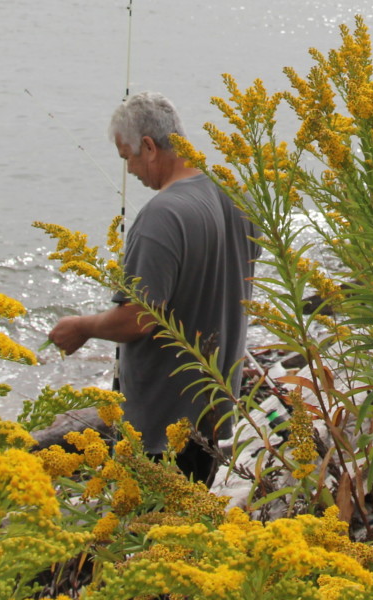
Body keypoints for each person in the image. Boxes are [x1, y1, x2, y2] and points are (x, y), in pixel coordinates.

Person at [48, 92, 258, 484]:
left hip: (164, 431)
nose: (129, 170)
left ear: (149, 146)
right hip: (214, 412)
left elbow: (138, 318)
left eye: (127, 156)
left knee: (152, 538)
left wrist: (82, 326)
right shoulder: (238, 196)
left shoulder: (162, 215)